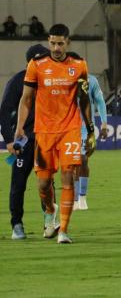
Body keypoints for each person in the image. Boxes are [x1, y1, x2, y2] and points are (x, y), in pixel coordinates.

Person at [14, 23, 96, 244]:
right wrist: (20, 127)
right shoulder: (37, 65)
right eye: (53, 43)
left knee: (68, 178)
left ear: (67, 42)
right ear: (48, 42)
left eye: (60, 43)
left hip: (69, 129)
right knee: (43, 183)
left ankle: (64, 231)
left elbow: (84, 100)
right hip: (44, 132)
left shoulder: (79, 65)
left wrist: (90, 132)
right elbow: (26, 99)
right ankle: (51, 210)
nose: (57, 47)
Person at [0, 44, 49, 239]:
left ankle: (49, 220)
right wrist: (10, 141)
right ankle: (17, 224)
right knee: (18, 183)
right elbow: (4, 112)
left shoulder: (51, 80)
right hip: (25, 140)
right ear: (29, 62)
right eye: (36, 60)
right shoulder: (18, 81)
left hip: (46, 138)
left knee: (46, 182)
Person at [73, 74, 108, 210]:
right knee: (71, 165)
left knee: (83, 160)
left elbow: (99, 101)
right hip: (67, 128)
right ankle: (75, 199)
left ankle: (82, 197)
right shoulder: (63, 78)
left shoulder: (91, 80)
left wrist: (104, 124)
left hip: (85, 129)